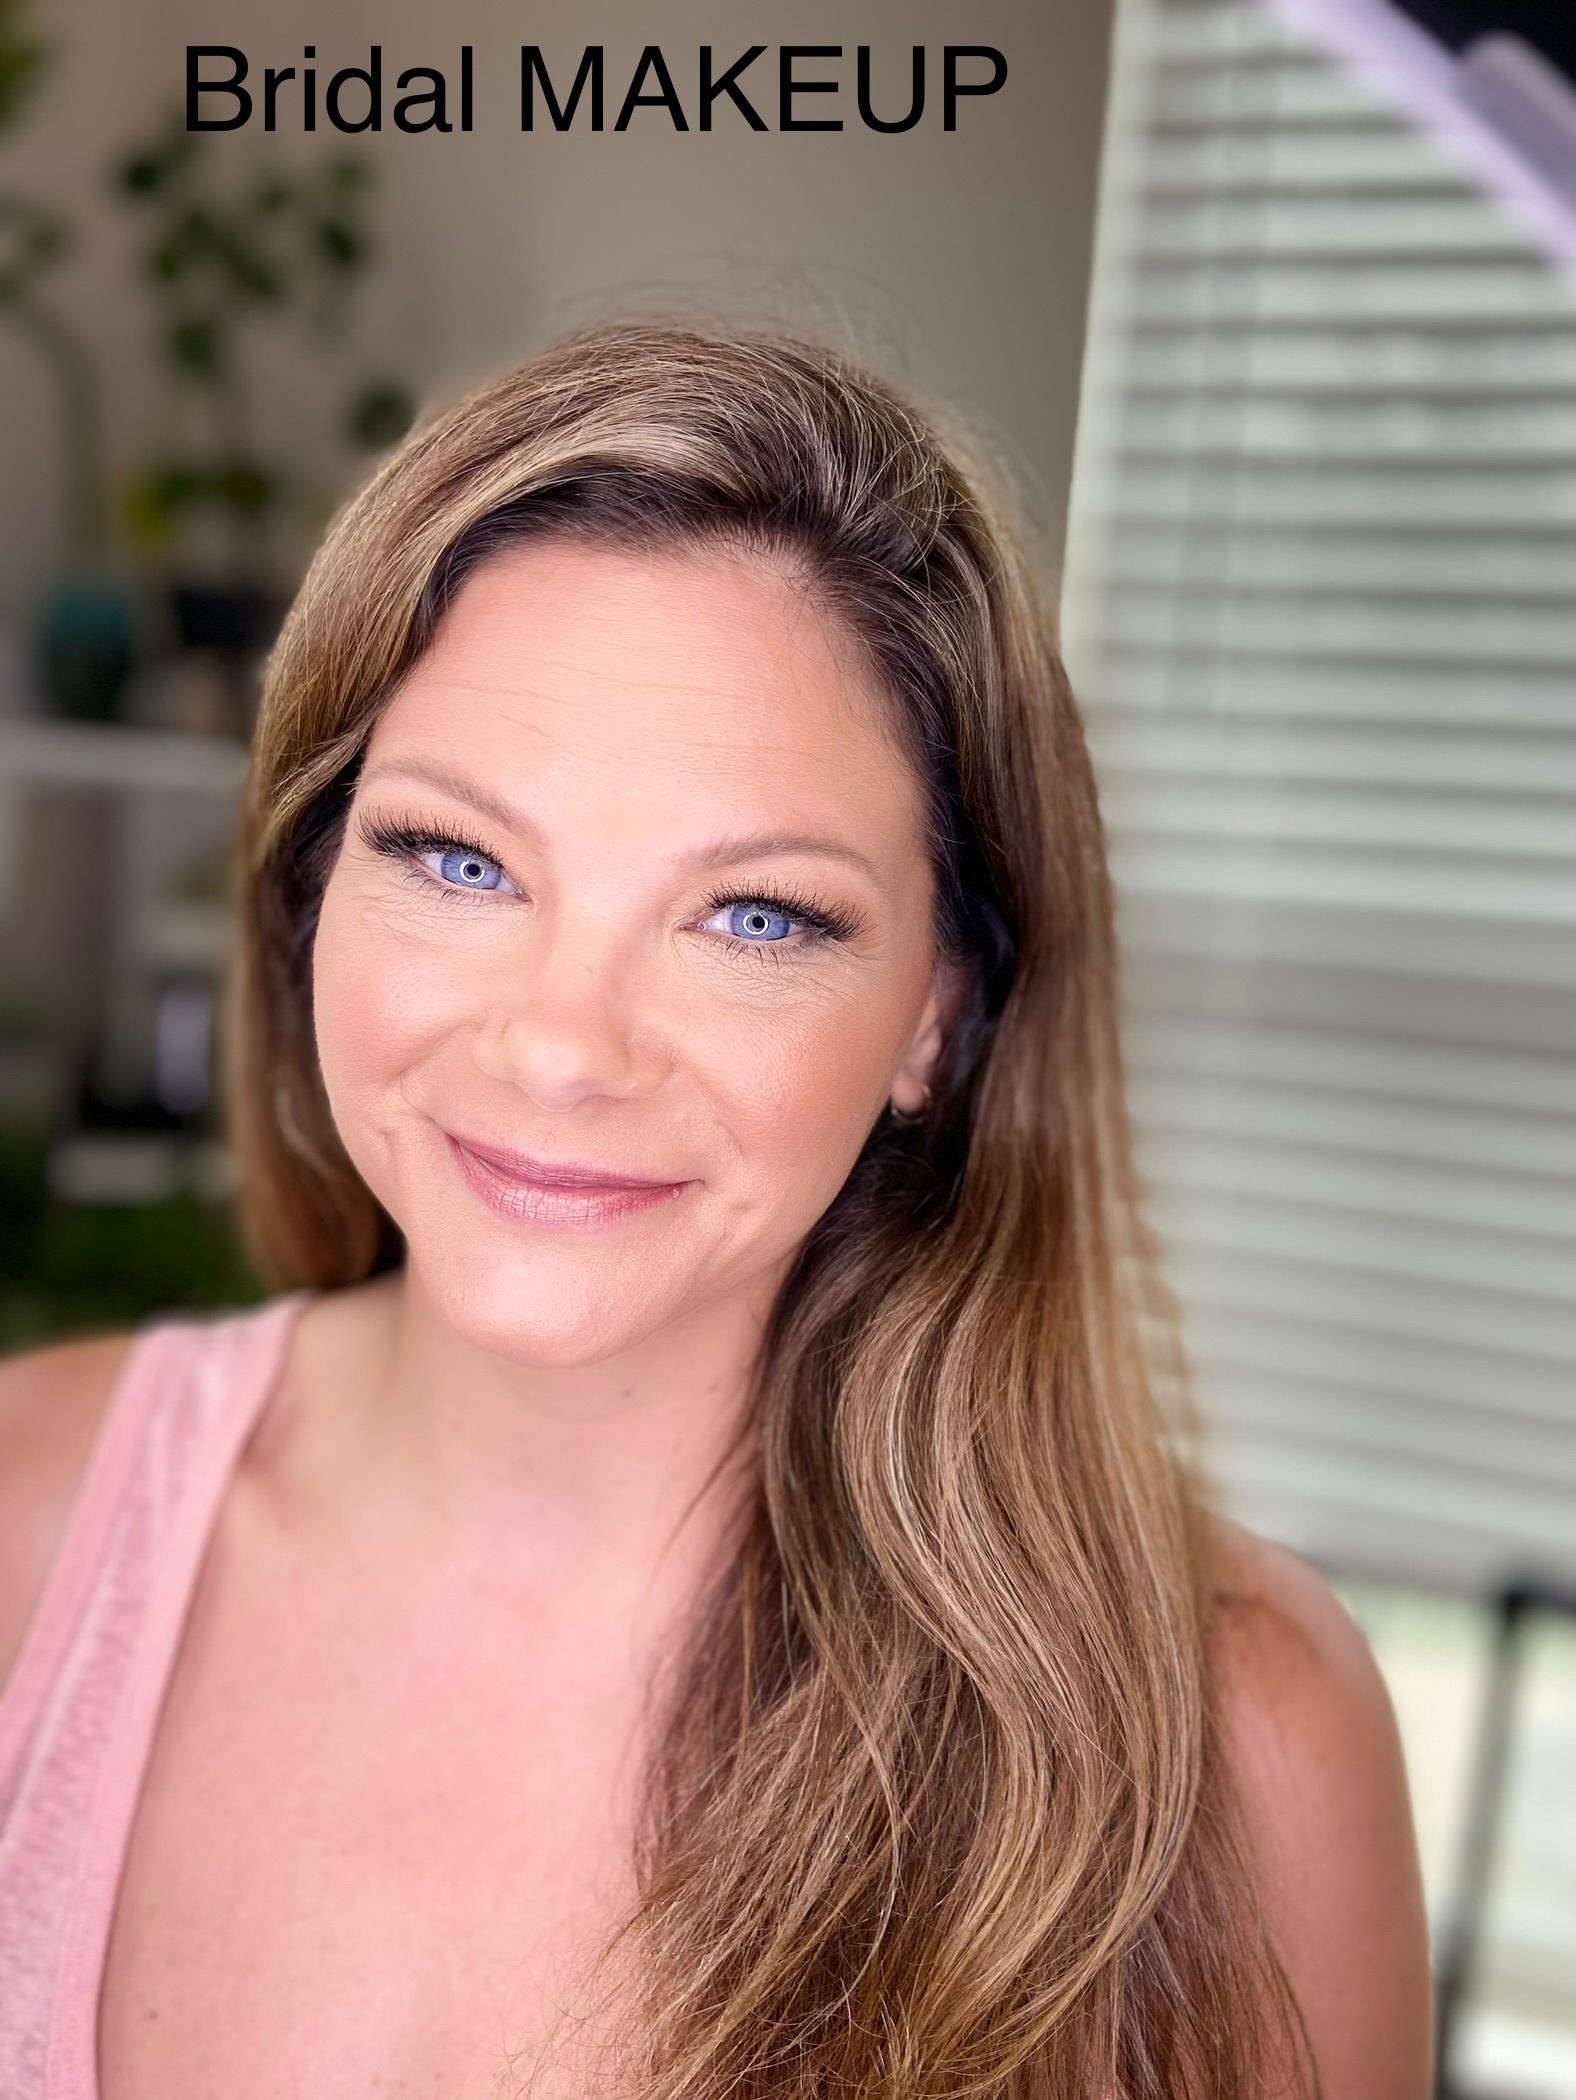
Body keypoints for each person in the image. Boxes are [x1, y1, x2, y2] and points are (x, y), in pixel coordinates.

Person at [0, 319, 1432, 2099]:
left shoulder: (1233, 1747)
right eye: (457, 859)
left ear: (940, 1010)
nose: (562, 1048)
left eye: (755, 915)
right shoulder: (16, 1527)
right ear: (311, 893)